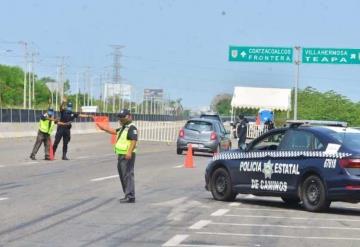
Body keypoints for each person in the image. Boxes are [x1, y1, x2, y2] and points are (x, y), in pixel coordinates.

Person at [96, 109, 138, 203]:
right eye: (120, 117)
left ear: (128, 116)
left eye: (122, 117)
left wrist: (129, 152)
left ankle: (130, 196)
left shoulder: (131, 127)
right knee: (123, 175)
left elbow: (133, 141)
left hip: (127, 155)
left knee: (127, 175)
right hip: (121, 155)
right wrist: (103, 128)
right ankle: (128, 195)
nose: (120, 119)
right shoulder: (124, 127)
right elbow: (114, 131)